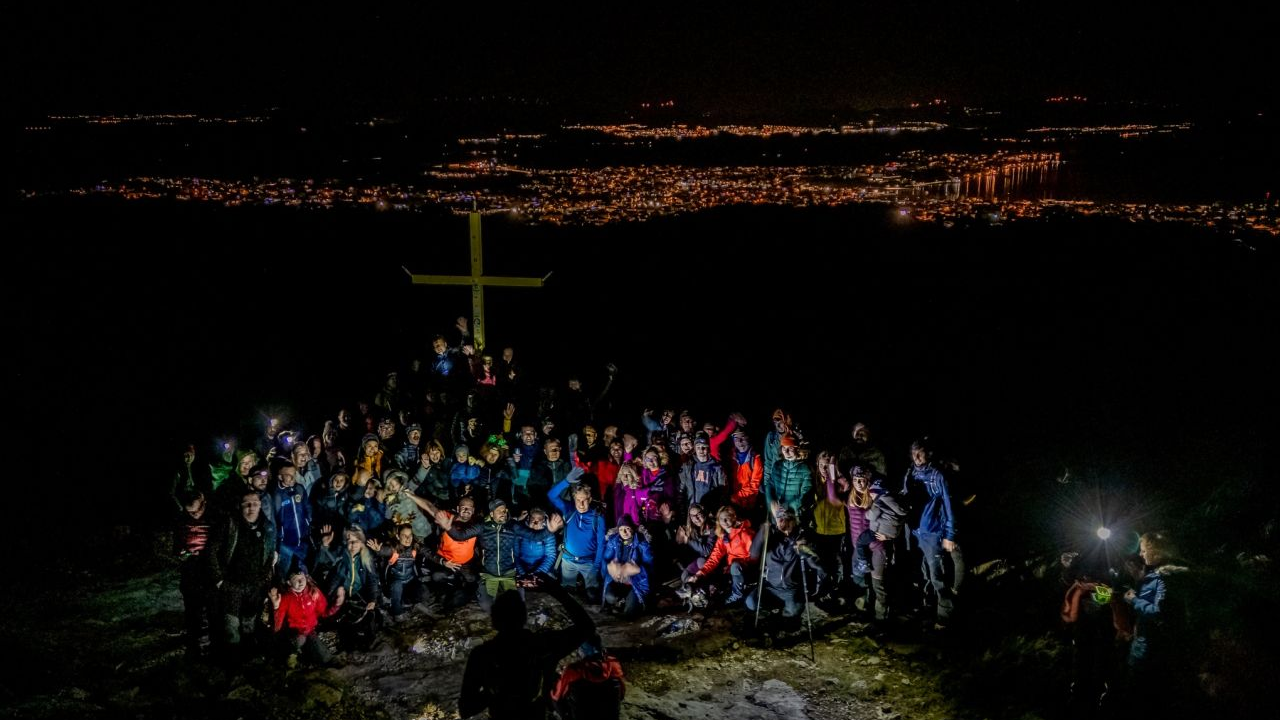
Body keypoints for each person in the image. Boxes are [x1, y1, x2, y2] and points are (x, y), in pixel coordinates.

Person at [458, 573, 597, 720]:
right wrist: (555, 590)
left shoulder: (482, 655)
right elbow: (587, 627)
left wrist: (493, 691)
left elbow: (466, 709)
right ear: (524, 617)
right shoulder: (543, 645)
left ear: (494, 620)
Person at [745, 505, 823, 631]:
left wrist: (805, 550)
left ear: (794, 521)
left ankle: (785, 615)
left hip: (791, 590)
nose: (784, 522)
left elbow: (816, 563)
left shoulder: (801, 537)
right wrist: (763, 532)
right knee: (751, 602)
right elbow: (753, 554)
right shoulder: (771, 537)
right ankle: (771, 615)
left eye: (788, 519)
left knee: (791, 621)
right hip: (771, 586)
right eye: (780, 518)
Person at [174, 489, 217, 657]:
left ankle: (213, 644)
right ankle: (194, 644)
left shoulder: (214, 518)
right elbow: (177, 547)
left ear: (204, 504)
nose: (195, 514)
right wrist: (184, 554)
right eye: (191, 512)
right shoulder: (181, 522)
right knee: (192, 609)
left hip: (210, 569)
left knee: (212, 609)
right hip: (190, 571)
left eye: (198, 510)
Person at [268, 570, 341, 667]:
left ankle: (325, 661)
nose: (301, 582)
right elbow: (278, 625)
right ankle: (291, 655)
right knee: (300, 639)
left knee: (322, 655)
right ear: (289, 582)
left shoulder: (314, 593)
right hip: (294, 632)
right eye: (296, 579)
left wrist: (336, 605)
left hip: (309, 630)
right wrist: (276, 607)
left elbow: (324, 612)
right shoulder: (286, 598)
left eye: (302, 578)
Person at [601, 514, 654, 619]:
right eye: (621, 529)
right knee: (610, 597)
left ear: (633, 529)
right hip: (618, 581)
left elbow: (650, 567)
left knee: (629, 613)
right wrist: (610, 568)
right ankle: (621, 600)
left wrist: (637, 570)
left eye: (627, 528)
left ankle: (629, 602)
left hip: (635, 583)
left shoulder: (642, 545)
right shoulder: (613, 542)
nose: (624, 532)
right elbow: (605, 559)